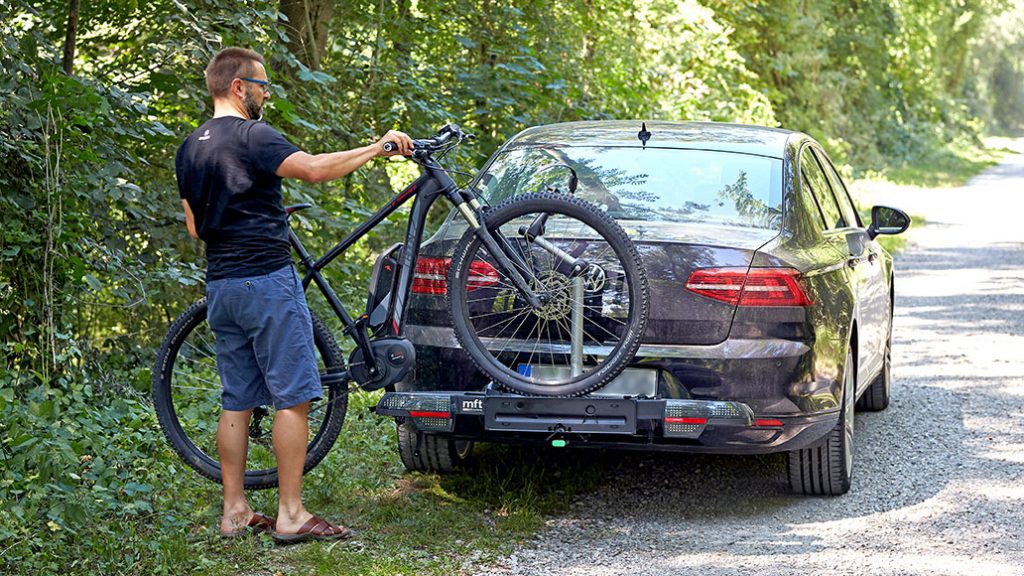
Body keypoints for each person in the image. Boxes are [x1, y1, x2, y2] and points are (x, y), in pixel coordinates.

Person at [174, 47, 414, 543]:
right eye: (262, 84)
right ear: (238, 86)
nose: (266, 93)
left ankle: (235, 510)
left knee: (237, 398)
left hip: (220, 285)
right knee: (295, 396)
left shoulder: (188, 149)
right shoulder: (253, 134)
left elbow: (196, 228)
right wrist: (379, 148)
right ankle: (290, 513)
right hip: (266, 282)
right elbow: (314, 170)